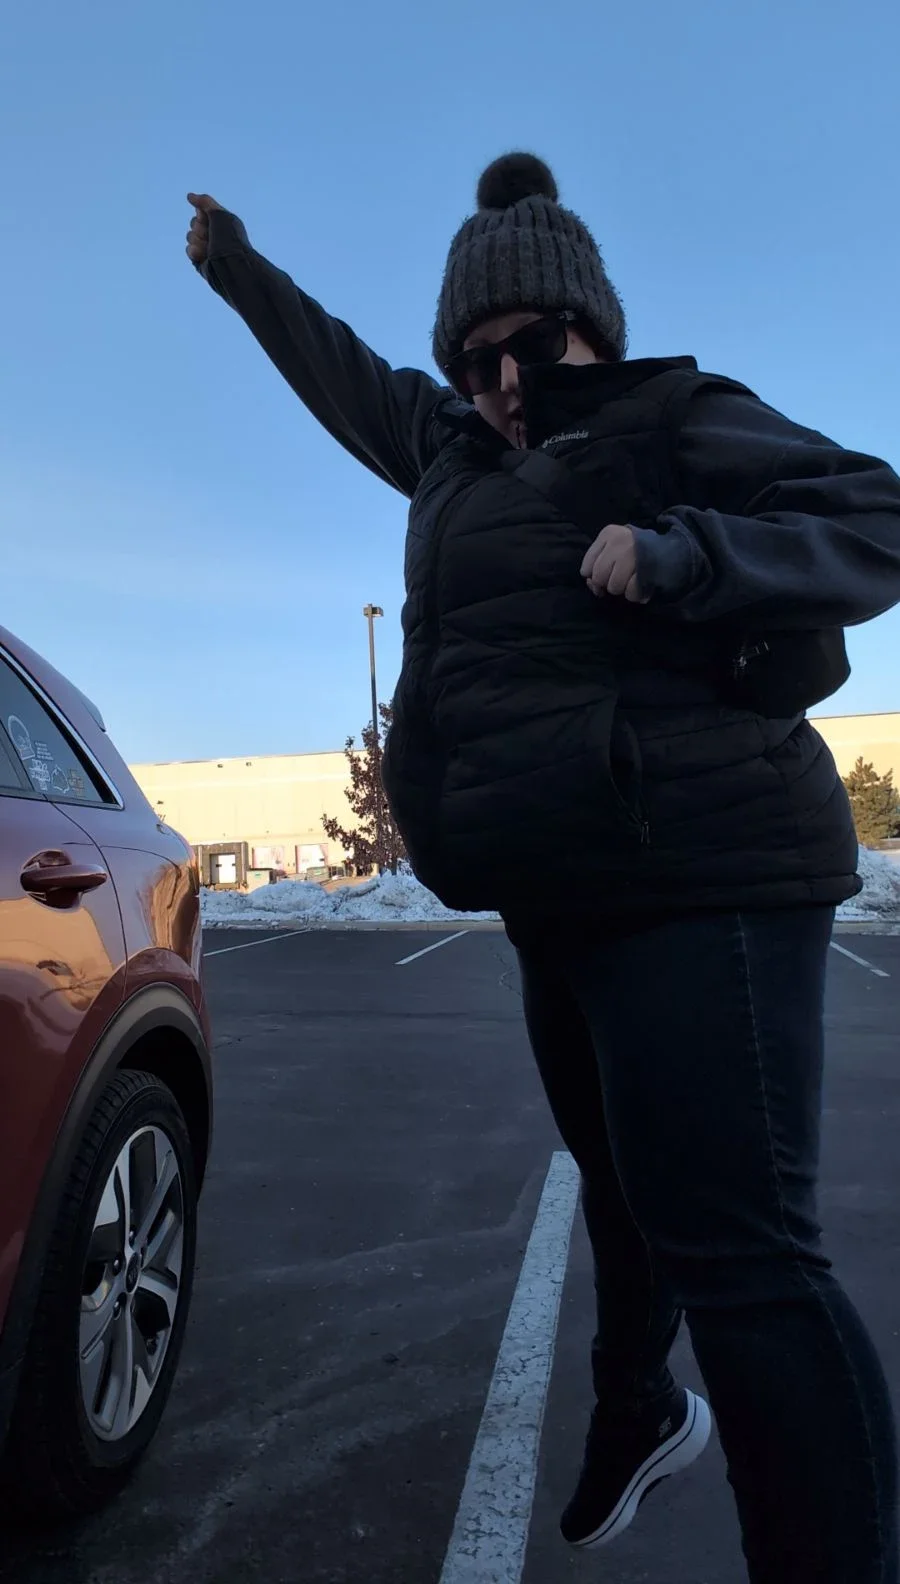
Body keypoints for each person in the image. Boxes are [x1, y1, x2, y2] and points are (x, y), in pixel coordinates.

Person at [187, 153, 900, 1582]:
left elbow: (874, 515)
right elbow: (342, 371)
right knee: (624, 1191)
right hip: (558, 892)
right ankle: (640, 1409)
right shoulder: (448, 448)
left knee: (750, 1263)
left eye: (532, 347)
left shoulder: (672, 415)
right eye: (475, 358)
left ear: (592, 333)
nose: (505, 382)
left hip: (706, 873)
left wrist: (689, 554)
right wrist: (241, 272)